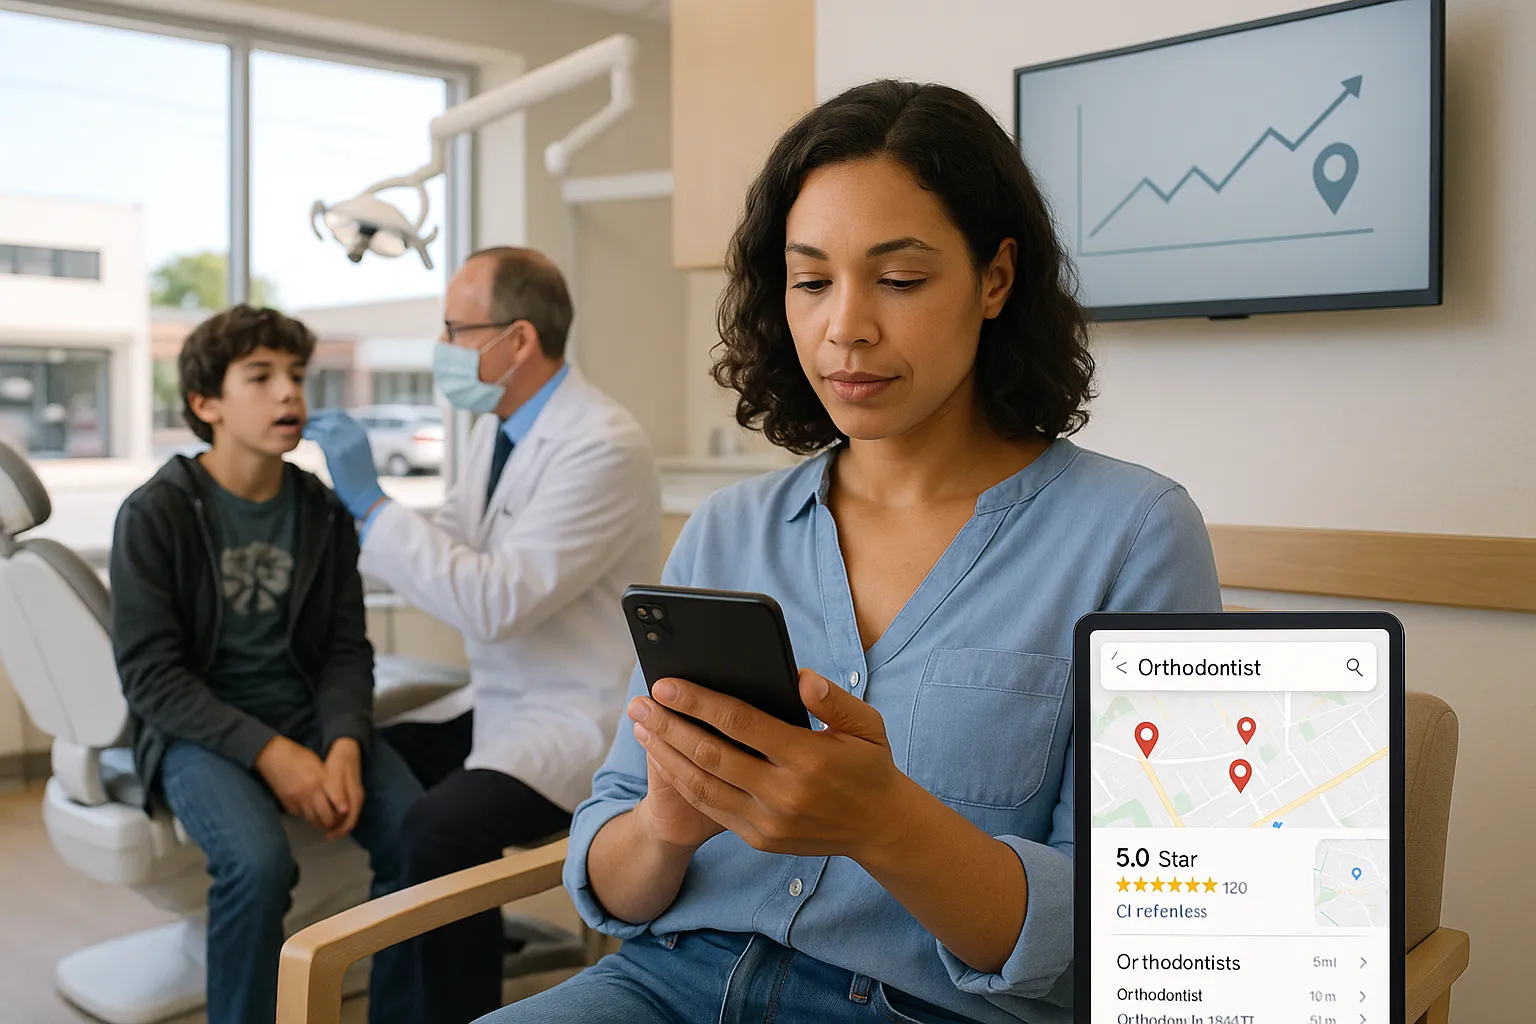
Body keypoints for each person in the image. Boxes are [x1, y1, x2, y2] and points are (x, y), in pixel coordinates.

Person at [479, 80, 1224, 1024]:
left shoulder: (1133, 534)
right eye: (811, 282)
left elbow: (1140, 926)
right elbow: (616, 885)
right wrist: (666, 824)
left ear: (996, 279)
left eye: (900, 280)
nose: (845, 327)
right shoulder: (726, 530)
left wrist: (886, 824)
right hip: (662, 987)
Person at [304, 247, 661, 1023]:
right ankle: (413, 975)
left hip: (580, 716)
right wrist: (354, 525)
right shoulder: (496, 431)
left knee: (437, 829)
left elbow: (497, 600)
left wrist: (372, 505)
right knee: (370, 760)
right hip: (504, 701)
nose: (443, 347)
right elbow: (454, 548)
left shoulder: (601, 443)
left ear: (518, 339)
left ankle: (447, 1007)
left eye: (455, 330)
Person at [110, 305, 421, 1024]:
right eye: (260, 377)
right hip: (197, 732)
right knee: (257, 864)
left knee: (418, 835)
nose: (289, 393)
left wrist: (344, 741)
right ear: (205, 403)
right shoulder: (155, 514)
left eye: (297, 376)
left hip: (307, 714)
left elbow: (345, 647)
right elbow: (152, 676)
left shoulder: (323, 511)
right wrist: (272, 753)